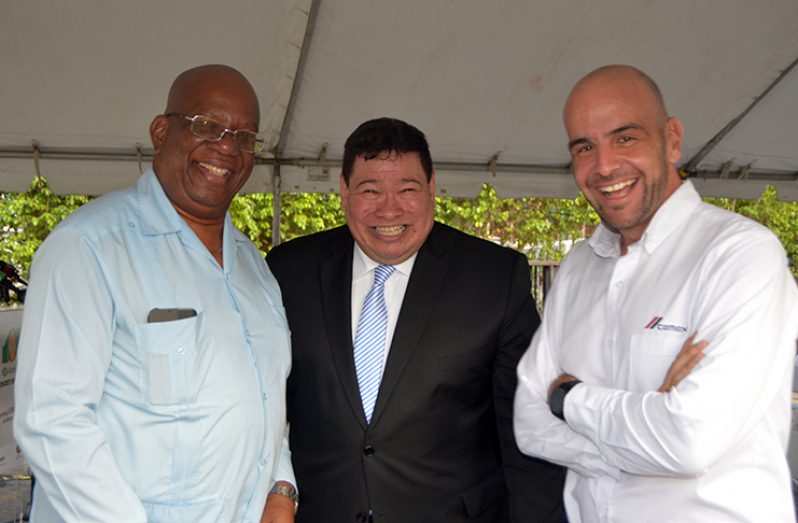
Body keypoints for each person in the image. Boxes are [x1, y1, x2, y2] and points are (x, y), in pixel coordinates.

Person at [513, 64, 798, 522]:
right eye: (585, 147)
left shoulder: (740, 255)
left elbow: (689, 441)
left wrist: (567, 398)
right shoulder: (580, 267)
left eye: (625, 138)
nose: (604, 166)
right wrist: (648, 426)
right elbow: (528, 423)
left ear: (672, 139)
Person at [14, 65, 297, 523]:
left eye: (245, 137)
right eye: (208, 126)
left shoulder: (254, 267)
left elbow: (267, 404)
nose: (227, 147)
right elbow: (52, 423)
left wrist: (282, 491)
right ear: (161, 131)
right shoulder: (89, 247)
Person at [266, 117, 564, 523]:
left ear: (432, 188)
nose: (389, 209)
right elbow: (264, 407)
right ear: (343, 191)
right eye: (370, 190)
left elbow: (529, 431)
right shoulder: (289, 271)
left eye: (407, 189)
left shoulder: (493, 277)